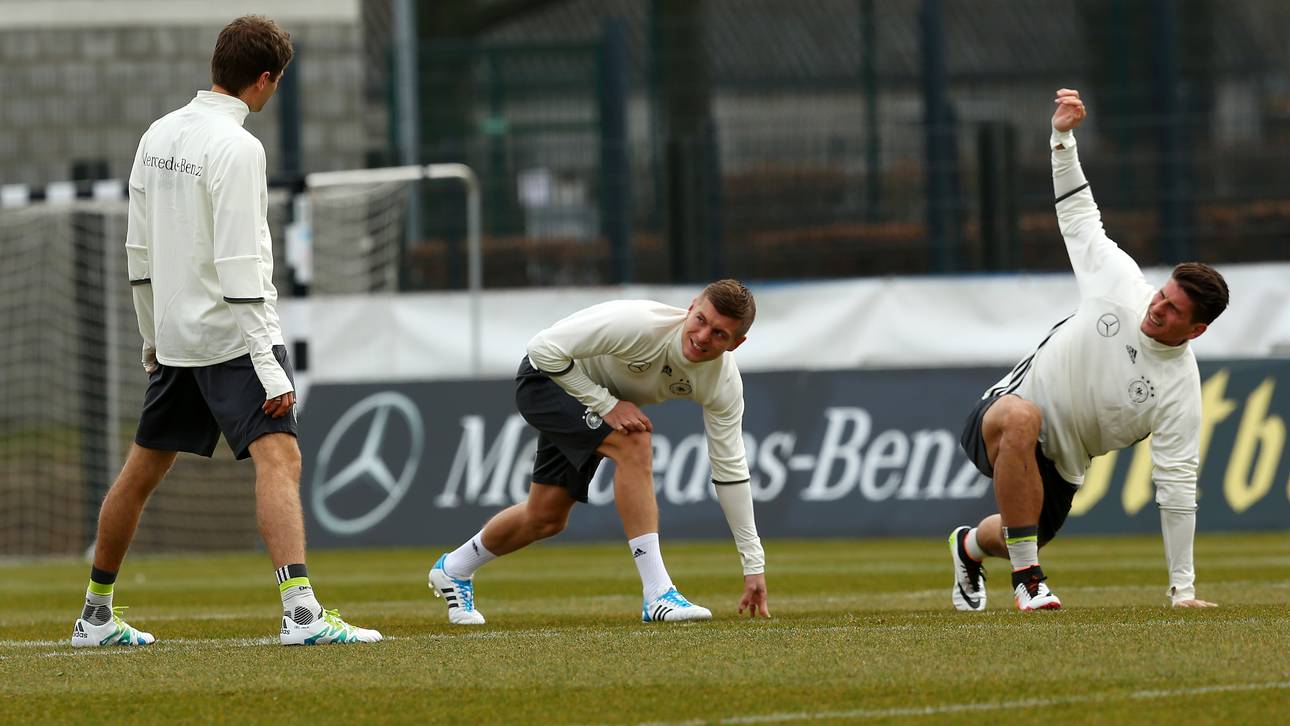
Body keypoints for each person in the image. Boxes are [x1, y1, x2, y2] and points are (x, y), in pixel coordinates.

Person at [71, 16, 381, 647]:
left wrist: (151, 338)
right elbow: (242, 268)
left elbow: (138, 253)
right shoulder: (239, 147)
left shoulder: (157, 134)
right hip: (233, 339)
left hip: (177, 340)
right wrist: (271, 366)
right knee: (280, 455)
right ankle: (301, 614)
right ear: (264, 80)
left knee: (140, 471)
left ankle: (95, 616)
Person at [948, 88, 1228, 612]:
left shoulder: (1180, 389)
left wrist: (1183, 590)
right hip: (1003, 412)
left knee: (1008, 534)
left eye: (1172, 312)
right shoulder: (1121, 283)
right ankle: (1030, 583)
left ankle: (966, 548)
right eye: (1162, 295)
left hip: (1062, 465)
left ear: (1195, 333)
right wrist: (1062, 137)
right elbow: (1079, 216)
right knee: (1021, 417)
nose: (1156, 309)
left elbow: (1176, 486)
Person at [428, 280, 771, 623]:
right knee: (634, 442)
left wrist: (753, 564)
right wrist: (605, 404)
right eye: (701, 320)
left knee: (545, 518)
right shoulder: (638, 324)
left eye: (719, 334)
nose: (702, 337)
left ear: (737, 343)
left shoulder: (723, 384)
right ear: (692, 305)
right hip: (547, 378)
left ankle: (454, 569)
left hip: (590, 399)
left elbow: (730, 470)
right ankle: (657, 594)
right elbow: (541, 349)